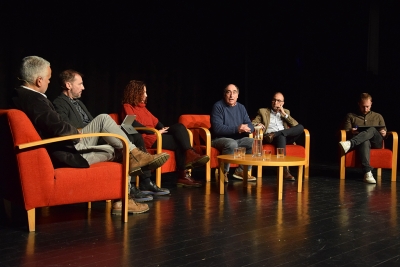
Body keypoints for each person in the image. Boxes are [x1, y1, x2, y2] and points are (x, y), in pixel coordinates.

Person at [12, 56, 169, 215]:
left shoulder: (20, 96)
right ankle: (125, 197)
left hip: (64, 144)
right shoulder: (35, 100)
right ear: (39, 80)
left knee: (108, 125)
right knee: (119, 147)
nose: (49, 82)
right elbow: (57, 127)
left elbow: (53, 124)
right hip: (67, 149)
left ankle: (134, 159)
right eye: (48, 79)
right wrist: (78, 132)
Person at [52, 69, 170, 203]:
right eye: (80, 84)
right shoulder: (59, 102)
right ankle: (135, 156)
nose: (83, 87)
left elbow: (91, 121)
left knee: (131, 134)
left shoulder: (79, 102)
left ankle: (141, 181)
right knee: (104, 118)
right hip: (79, 140)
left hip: (93, 136)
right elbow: (65, 127)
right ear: (68, 85)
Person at [121, 80, 210, 188]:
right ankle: (183, 173)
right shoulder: (128, 107)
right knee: (178, 143)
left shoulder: (143, 108)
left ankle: (189, 153)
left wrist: (164, 128)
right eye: (144, 92)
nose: (146, 95)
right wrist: (154, 131)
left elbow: (157, 122)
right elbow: (131, 124)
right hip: (148, 138)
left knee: (179, 127)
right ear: (136, 92)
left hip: (156, 135)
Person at [251, 92, 304, 181]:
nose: (275, 103)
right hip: (270, 138)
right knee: (281, 137)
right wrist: (257, 124)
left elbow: (295, 125)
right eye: (274, 100)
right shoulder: (263, 111)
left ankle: (277, 133)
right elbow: (252, 123)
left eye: (278, 101)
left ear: (282, 103)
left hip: (284, 136)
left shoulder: (286, 112)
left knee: (301, 127)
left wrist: (284, 114)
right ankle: (284, 170)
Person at [210, 84, 255, 182]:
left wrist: (248, 128)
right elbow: (217, 129)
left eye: (234, 92)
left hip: (238, 139)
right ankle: (223, 173)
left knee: (252, 142)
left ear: (237, 95)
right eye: (228, 92)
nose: (231, 95)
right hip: (219, 139)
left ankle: (242, 171)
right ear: (224, 94)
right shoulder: (218, 106)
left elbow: (250, 124)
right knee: (231, 143)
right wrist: (237, 129)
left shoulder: (241, 108)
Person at [339, 93, 387, 184]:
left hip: (376, 142)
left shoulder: (378, 116)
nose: (365, 109)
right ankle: (367, 173)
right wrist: (351, 131)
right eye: (363, 106)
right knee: (365, 141)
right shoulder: (351, 116)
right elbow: (345, 131)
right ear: (359, 104)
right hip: (361, 143)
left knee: (372, 129)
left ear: (371, 104)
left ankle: (350, 143)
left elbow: (384, 132)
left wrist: (384, 133)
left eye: (367, 107)